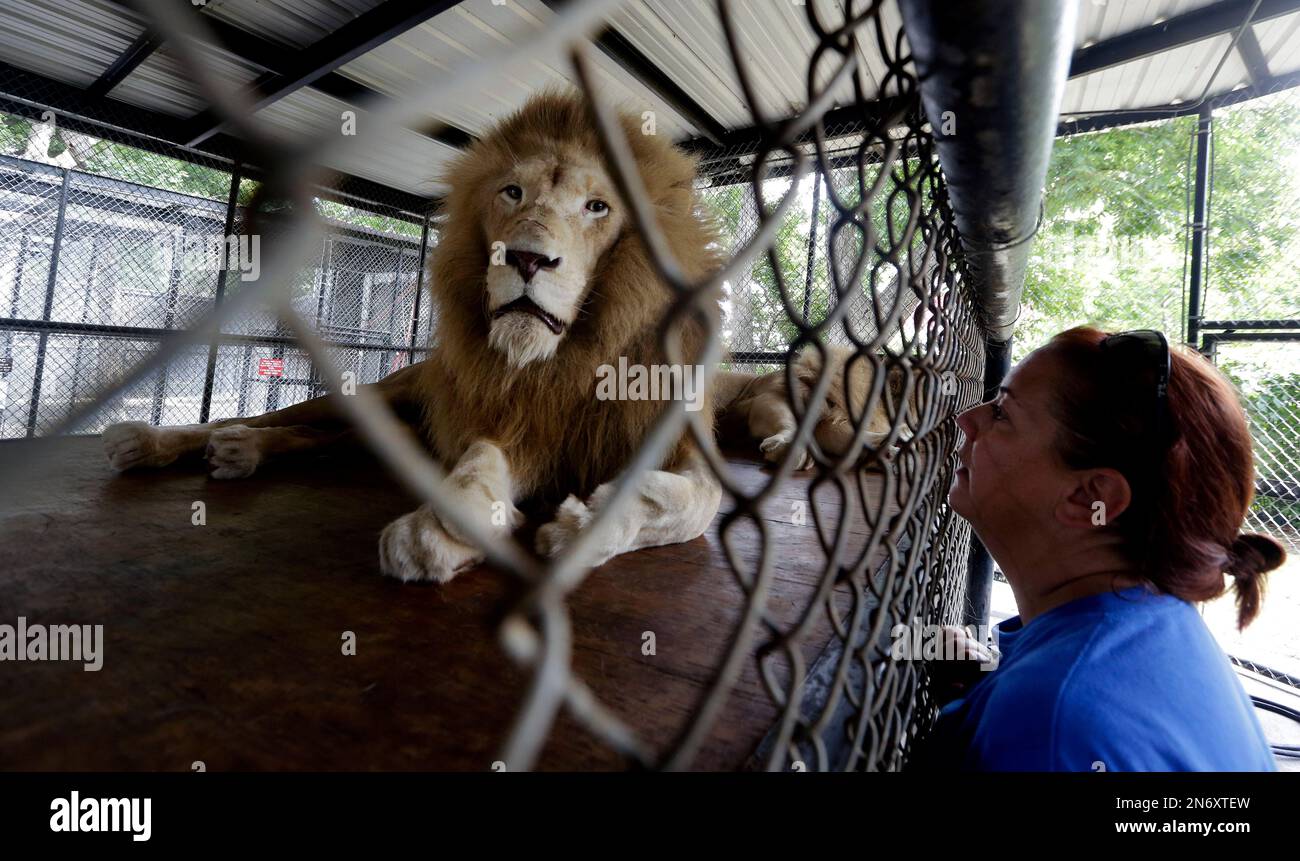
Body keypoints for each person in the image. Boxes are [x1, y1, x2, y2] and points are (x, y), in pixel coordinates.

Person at [914, 326, 1286, 771]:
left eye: (1002, 413)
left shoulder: (1053, 718)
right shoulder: (1145, 620)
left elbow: (1059, 721)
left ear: (1090, 498)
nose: (966, 418)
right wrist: (981, 685)